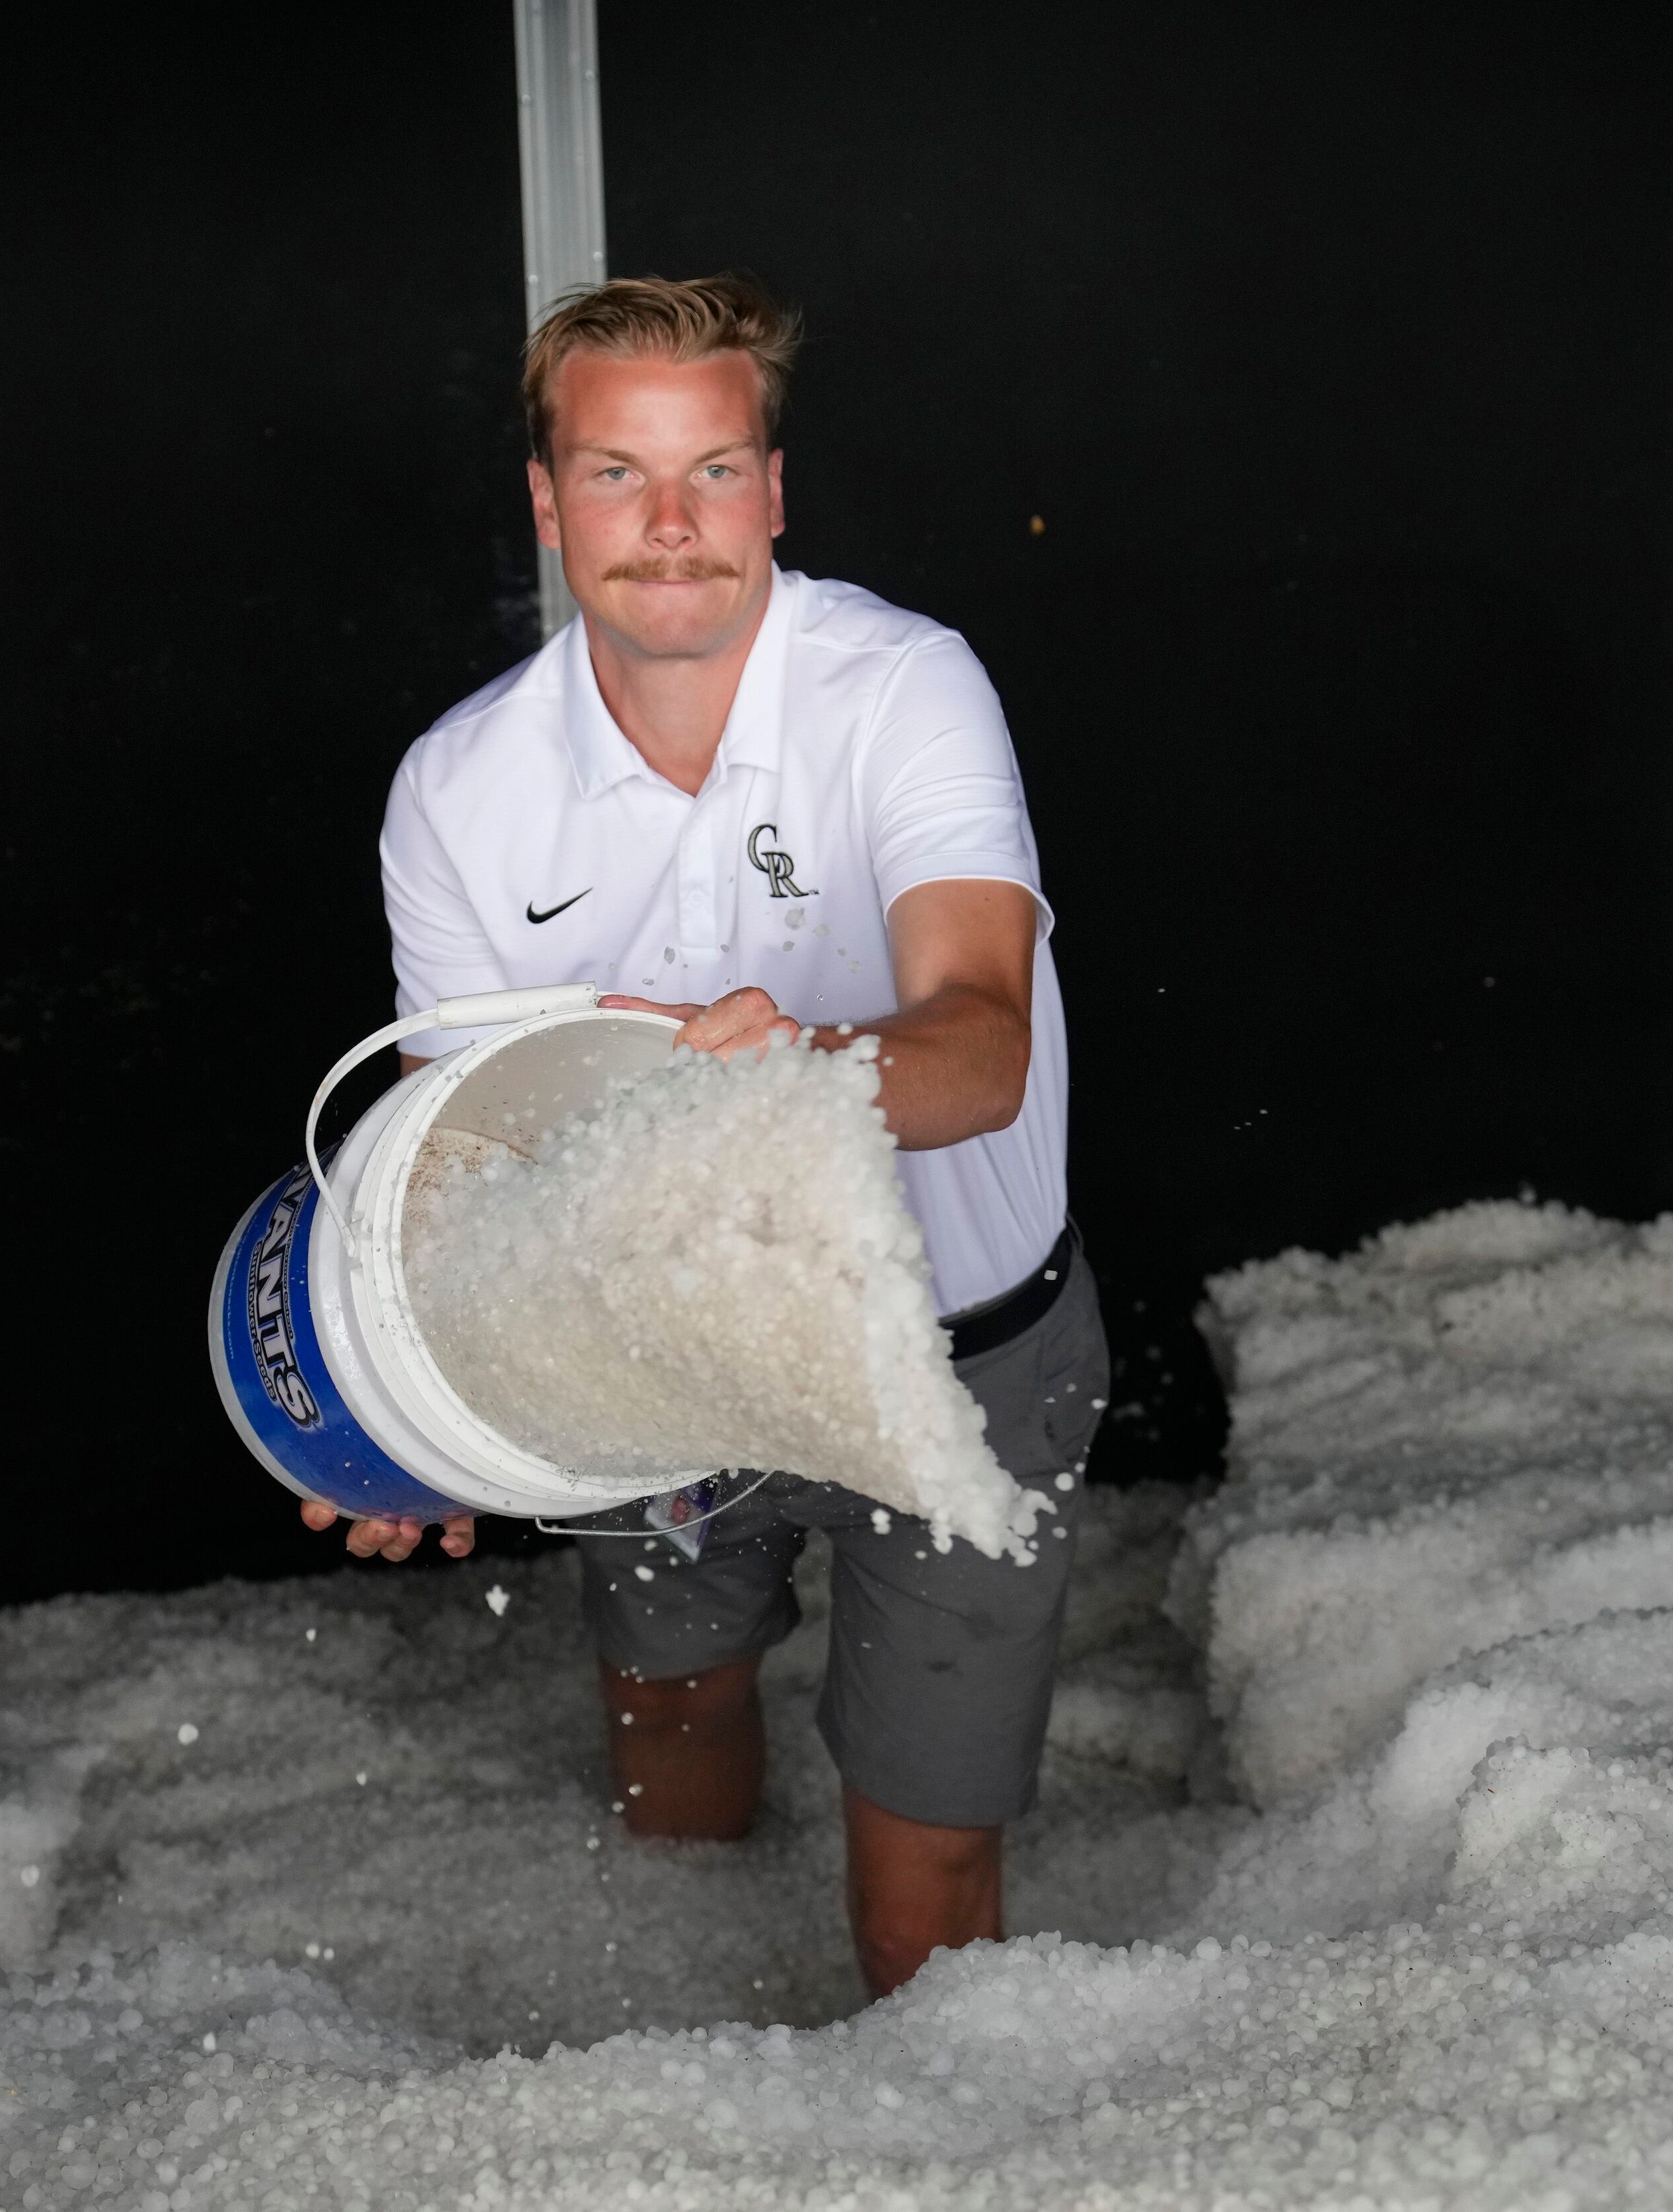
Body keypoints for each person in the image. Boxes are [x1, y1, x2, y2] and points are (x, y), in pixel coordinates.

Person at [300, 274, 1104, 1999]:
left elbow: (981, 1049)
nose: (670, 526)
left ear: (775, 488)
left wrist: (794, 1076)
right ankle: (706, 2113)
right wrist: (387, 1408)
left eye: (713, 471)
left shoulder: (905, 687)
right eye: (615, 474)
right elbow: (466, 1162)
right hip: (658, 1361)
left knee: (924, 1883)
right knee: (671, 1730)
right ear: (546, 500)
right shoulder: (459, 790)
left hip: (955, 1361)